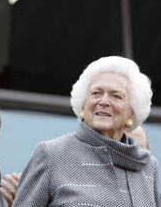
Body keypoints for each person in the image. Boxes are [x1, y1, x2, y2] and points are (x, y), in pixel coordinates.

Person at [13, 56, 159, 207]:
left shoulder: (148, 166)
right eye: (96, 93)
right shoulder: (51, 154)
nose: (103, 101)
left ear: (132, 113)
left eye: (116, 96)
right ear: (83, 105)